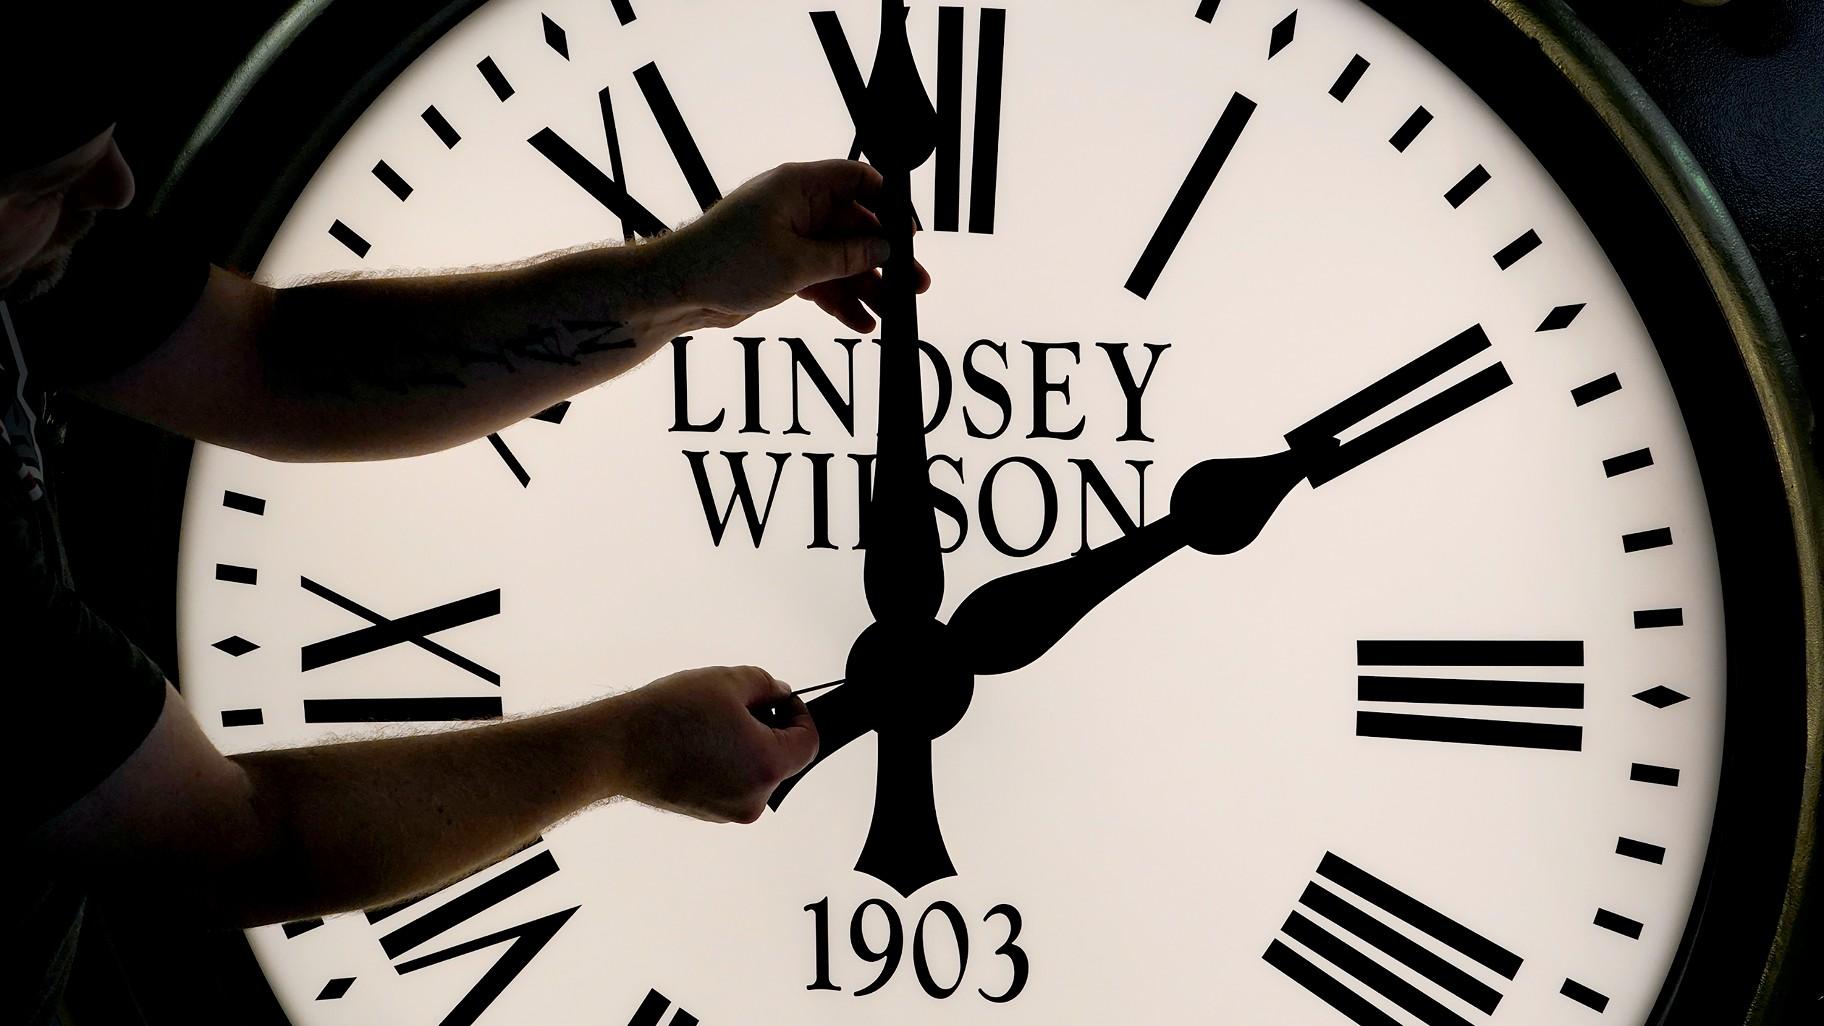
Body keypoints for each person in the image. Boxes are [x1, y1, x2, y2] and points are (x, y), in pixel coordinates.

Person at [5, 18, 928, 1026]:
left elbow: (273, 361)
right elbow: (227, 845)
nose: (115, 193)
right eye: (51, 178)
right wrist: (626, 750)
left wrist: (688, 283)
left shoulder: (26, 258)